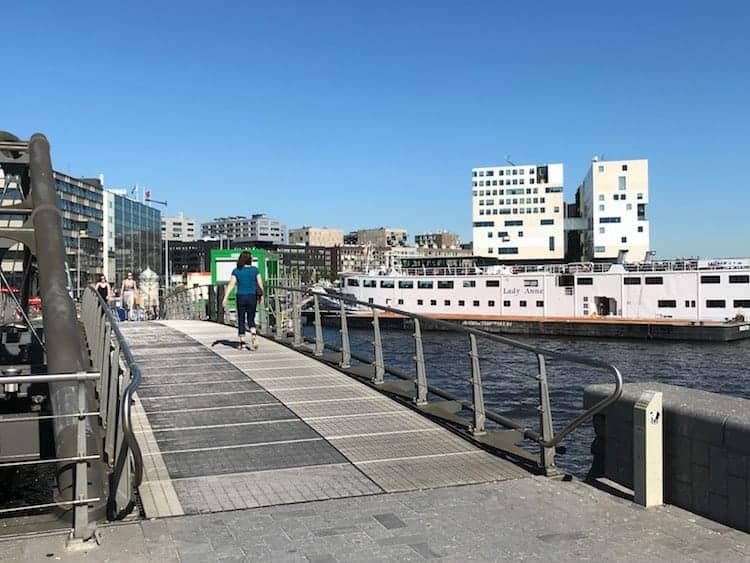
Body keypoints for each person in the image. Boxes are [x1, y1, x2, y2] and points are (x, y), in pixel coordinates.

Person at [222, 251, 263, 350]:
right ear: (249, 260)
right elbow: (260, 285)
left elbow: (231, 284)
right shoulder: (255, 270)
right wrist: (262, 297)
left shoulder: (236, 271)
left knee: (241, 319)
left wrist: (225, 297)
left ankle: (243, 343)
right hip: (252, 296)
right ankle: (253, 334)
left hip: (241, 296)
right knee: (251, 318)